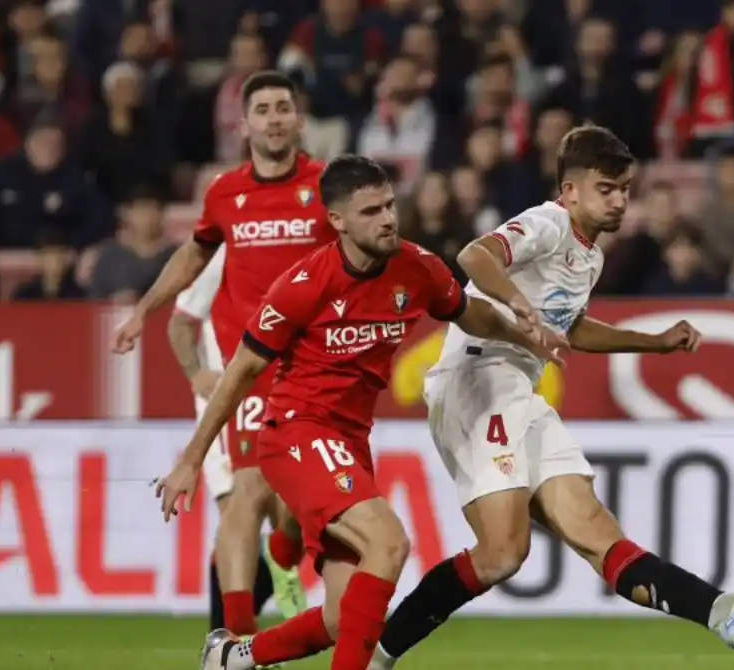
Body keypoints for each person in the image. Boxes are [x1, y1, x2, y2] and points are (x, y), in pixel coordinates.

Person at [368, 126, 734, 670]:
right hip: (476, 381)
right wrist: (520, 310)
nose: (620, 200)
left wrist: (653, 343)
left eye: (625, 189)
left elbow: (570, 327)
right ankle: (379, 654)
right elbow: (475, 256)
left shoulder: (590, 257)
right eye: (607, 188)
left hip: (519, 392)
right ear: (570, 191)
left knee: (600, 536)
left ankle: (723, 612)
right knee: (502, 553)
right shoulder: (547, 223)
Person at [154, 155, 564, 670]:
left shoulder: (417, 267)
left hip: (348, 441)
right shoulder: (304, 284)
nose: (388, 218)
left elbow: (466, 310)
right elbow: (239, 372)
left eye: (390, 204)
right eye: (371, 211)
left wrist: (521, 330)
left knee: (340, 618)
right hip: (296, 433)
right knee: (389, 542)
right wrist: (192, 458)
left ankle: (233, 656)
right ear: (338, 221)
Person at [112, 70, 335, 637]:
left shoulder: (328, 187)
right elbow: (191, 259)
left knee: (296, 504)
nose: (275, 118)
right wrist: (144, 310)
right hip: (252, 365)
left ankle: (283, 560)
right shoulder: (225, 194)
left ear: (298, 118)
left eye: (284, 107)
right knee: (246, 493)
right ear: (245, 124)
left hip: (313, 366)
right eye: (263, 109)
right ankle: (233, 638)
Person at [170, 244, 307, 626]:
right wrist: (197, 373)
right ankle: (228, 636)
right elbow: (180, 321)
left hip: (284, 388)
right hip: (230, 398)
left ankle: (281, 561)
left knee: (292, 514)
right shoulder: (231, 249)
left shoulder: (306, 243)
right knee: (239, 505)